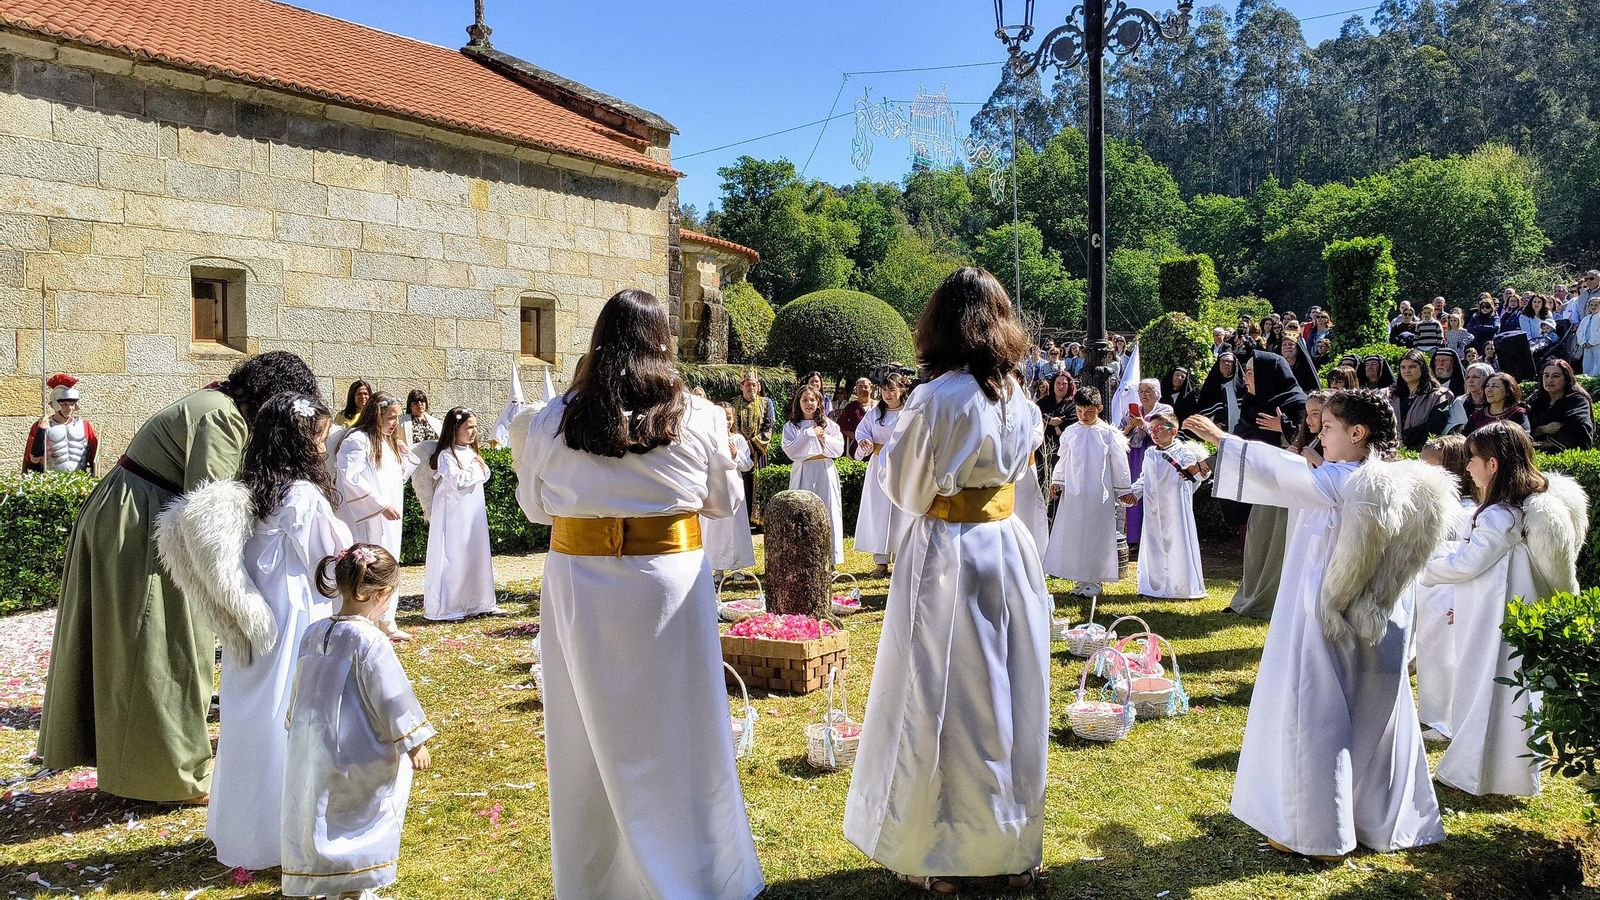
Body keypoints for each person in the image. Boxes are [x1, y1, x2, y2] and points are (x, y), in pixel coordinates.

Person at [515, 289, 763, 899]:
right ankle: (696, 871)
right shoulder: (700, 416)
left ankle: (600, 881)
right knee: (683, 724)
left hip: (581, 584)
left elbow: (533, 506)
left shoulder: (555, 418)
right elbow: (726, 503)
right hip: (667, 581)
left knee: (586, 730)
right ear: (664, 344)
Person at [844, 267, 1048, 894]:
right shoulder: (1018, 396)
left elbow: (905, 488)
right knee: (1012, 689)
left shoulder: (939, 398)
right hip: (1009, 549)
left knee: (939, 697)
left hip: (949, 553)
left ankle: (939, 849)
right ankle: (1010, 846)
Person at [38, 351, 318, 802]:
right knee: (165, 645)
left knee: (138, 645)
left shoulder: (218, 405)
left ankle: (141, 759)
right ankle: (175, 774)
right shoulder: (223, 418)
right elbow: (213, 508)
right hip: (142, 524)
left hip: (134, 512)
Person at [1184, 391, 1452, 861]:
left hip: (1329, 617)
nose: (1320, 437)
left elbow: (1282, 477)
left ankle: (1320, 835)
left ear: (1357, 433)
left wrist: (1224, 440)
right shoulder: (1404, 481)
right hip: (1383, 620)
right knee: (1376, 719)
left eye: (1327, 428)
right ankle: (1377, 820)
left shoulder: (1342, 481)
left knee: (1318, 714)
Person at [199, 392, 348, 870]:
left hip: (253, 619)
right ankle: (287, 831)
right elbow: (327, 562)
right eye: (319, 440)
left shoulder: (252, 488)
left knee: (251, 713)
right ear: (299, 442)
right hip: (291, 615)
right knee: (289, 710)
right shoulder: (302, 495)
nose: (323, 450)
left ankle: (243, 830)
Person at [1418, 423, 1587, 796]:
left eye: (1473, 460)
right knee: (1509, 692)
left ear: (1493, 465)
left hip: (1493, 618)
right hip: (1497, 611)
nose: (1467, 468)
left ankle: (1473, 771)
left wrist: (1424, 567)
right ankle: (1504, 772)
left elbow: (1467, 564)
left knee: (1485, 687)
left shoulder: (1499, 515)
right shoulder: (1512, 511)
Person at [283, 544, 433, 899]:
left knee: (320, 811)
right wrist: (414, 741)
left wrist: (296, 726)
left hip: (313, 742)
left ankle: (322, 880)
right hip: (356, 746)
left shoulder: (313, 631)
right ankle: (352, 885)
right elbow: (391, 694)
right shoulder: (369, 639)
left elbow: (299, 688)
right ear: (379, 594)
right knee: (357, 812)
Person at [1227, 352, 1308, 619]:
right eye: (1245, 371)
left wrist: (1282, 427)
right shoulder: (1252, 404)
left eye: (1251, 372)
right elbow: (1241, 440)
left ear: (1267, 374)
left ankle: (1268, 603)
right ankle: (1248, 597)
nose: (1245, 378)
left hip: (1287, 490)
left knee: (1275, 547)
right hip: (1262, 486)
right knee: (1257, 542)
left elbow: (1307, 443)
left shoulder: (1297, 403)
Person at [334, 391, 420, 639]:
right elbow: (351, 477)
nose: (395, 423)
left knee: (389, 559)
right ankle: (367, 618)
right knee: (369, 563)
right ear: (376, 414)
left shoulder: (386, 441)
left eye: (396, 417)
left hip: (388, 515)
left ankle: (386, 619)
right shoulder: (358, 440)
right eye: (391, 417)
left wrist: (404, 457)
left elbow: (393, 478)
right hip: (369, 516)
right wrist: (380, 504)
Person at [1413, 434, 1476, 740]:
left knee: (1445, 654)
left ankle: (1446, 720)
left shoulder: (1466, 510)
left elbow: (1462, 558)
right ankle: (1433, 713)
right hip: (1428, 584)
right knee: (1429, 650)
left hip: (1445, 586)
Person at [1043, 386, 1134, 596]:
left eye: (1089, 412)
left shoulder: (1109, 434)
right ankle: (1080, 579)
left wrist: (1124, 489)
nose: (1084, 416)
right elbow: (1063, 459)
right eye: (1080, 411)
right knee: (1075, 534)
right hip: (1075, 493)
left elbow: (1119, 463)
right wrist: (1058, 481)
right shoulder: (1071, 432)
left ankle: (1094, 579)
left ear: (1099, 408)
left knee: (1095, 535)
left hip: (1097, 494)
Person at [423, 408, 499, 620]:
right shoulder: (446, 455)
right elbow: (458, 480)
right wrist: (476, 470)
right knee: (454, 554)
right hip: (453, 514)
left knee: (475, 551)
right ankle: (452, 603)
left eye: (475, 427)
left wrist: (477, 469)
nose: (473, 432)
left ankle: (478, 600)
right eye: (469, 427)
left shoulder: (472, 453)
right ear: (455, 429)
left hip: (472, 511)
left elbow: (485, 473)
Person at [1125, 411, 1206, 599]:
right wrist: (1133, 494)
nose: (1154, 433)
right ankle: (1154, 586)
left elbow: (1197, 473)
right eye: (1151, 429)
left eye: (1159, 429)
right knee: (1154, 545)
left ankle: (1180, 587)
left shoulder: (1183, 452)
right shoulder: (1150, 453)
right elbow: (1144, 479)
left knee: (1176, 543)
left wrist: (1199, 470)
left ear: (1173, 431)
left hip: (1175, 508)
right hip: (1153, 509)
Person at [782, 385, 846, 566]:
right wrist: (809, 434)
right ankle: (801, 556)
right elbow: (791, 450)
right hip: (803, 470)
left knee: (828, 509)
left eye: (812, 400)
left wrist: (824, 438)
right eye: (804, 400)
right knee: (801, 511)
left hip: (824, 470)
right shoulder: (791, 426)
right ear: (798, 403)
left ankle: (830, 558)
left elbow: (839, 449)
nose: (808, 404)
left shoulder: (829, 425)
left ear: (819, 402)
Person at [853, 373, 908, 579]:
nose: (888, 394)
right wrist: (865, 442)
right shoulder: (875, 413)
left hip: (901, 467)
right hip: (878, 466)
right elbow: (862, 431)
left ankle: (902, 559)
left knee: (901, 512)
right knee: (878, 512)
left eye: (892, 390)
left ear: (901, 390)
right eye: (885, 390)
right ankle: (881, 561)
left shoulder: (909, 413)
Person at [703, 404, 757, 574]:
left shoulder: (738, 439)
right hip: (716, 488)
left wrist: (736, 455)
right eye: (722, 418)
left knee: (735, 528)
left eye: (728, 418)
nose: (725, 422)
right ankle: (717, 568)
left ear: (733, 419)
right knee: (715, 529)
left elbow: (748, 465)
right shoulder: (709, 439)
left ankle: (737, 567)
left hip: (734, 488)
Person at [1120, 379, 1173, 546]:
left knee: (1153, 492)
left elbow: (1166, 430)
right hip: (1135, 455)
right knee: (1135, 491)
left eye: (1148, 391)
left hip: (1157, 453)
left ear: (1157, 393)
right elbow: (1121, 434)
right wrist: (1130, 426)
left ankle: (1155, 538)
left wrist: (1142, 423)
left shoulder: (1165, 409)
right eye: (1141, 391)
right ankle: (1134, 538)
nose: (1144, 395)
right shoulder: (1132, 411)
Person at [24, 373, 98, 473]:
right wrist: (41, 431)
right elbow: (33, 459)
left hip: (81, 481)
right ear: (55, 404)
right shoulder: (41, 426)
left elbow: (94, 455)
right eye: (65, 404)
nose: (70, 408)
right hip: (50, 481)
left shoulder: (85, 425)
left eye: (72, 404)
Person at [733, 370, 777, 521]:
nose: (751, 388)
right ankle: (742, 518)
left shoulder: (766, 403)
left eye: (754, 384)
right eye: (747, 385)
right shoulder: (734, 403)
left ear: (758, 386)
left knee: (760, 483)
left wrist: (752, 443)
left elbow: (769, 426)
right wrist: (741, 445)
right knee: (741, 483)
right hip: (739, 451)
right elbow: (732, 427)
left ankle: (760, 520)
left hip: (759, 451)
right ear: (741, 386)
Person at [1391, 349, 1453, 451]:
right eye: (1403, 367)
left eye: (1412, 366)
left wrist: (1404, 442)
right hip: (1391, 450)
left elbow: (1435, 427)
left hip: (1423, 451)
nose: (1407, 371)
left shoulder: (1439, 395)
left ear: (1422, 368)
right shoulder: (1390, 395)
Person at [1526, 359, 1594, 451]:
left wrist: (1546, 444)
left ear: (1566, 379)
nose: (1549, 380)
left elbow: (1579, 427)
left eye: (1556, 376)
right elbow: (1523, 424)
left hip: (1562, 453)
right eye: (1546, 376)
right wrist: (1543, 429)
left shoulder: (1577, 400)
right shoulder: (1536, 400)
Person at [1465, 373, 1531, 434]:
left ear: (1508, 391)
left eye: (1494, 386)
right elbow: (1465, 437)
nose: (1488, 390)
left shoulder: (1517, 413)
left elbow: (1524, 436)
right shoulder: (1477, 416)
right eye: (1487, 386)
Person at [1445, 362, 1495, 434]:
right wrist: (1461, 428)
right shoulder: (1459, 402)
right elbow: (1448, 426)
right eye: (1468, 377)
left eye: (1475, 377)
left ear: (1487, 380)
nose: (1470, 381)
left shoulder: (1496, 401)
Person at [837, 377, 873, 456]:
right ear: (856, 390)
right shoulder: (850, 407)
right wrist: (861, 439)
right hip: (857, 448)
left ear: (871, 389)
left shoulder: (878, 407)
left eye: (865, 387)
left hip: (877, 447)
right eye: (860, 387)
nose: (863, 389)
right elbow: (844, 428)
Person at [1577, 296, 1600, 376]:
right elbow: (1579, 332)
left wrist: (1592, 342)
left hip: (1597, 344)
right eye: (1591, 305)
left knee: (1598, 364)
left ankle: (1597, 380)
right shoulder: (1586, 318)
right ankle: (1587, 380)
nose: (1593, 307)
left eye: (1596, 305)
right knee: (1587, 364)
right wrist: (1582, 342)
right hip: (1586, 345)